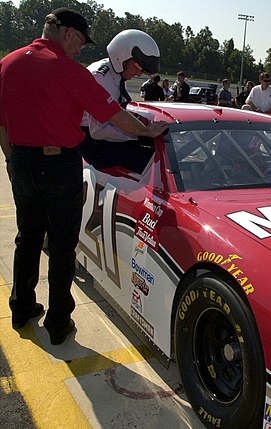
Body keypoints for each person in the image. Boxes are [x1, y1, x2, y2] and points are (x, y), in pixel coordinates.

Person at [0, 8, 168, 345]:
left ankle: (21, 307)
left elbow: (1, 123)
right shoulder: (71, 71)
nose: (81, 49)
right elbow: (117, 118)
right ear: (69, 34)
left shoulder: (8, 64)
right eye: (80, 42)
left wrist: (11, 160)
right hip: (61, 165)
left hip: (21, 161)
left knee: (28, 237)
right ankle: (59, 324)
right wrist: (149, 131)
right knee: (63, 248)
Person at [80, 29, 163, 173]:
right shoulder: (100, 77)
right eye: (138, 67)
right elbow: (98, 131)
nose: (138, 73)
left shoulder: (117, 72)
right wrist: (140, 134)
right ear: (121, 57)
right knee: (153, 163)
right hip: (93, 144)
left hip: (105, 137)